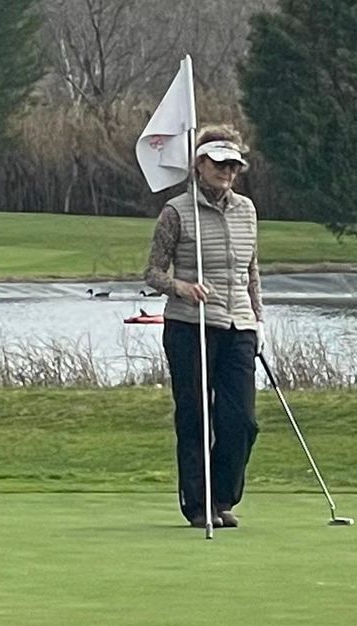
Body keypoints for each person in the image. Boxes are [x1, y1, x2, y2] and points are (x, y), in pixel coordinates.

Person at [143, 125, 264, 529]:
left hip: (239, 325)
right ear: (199, 165)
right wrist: (181, 287)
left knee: (241, 421)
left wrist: (258, 321)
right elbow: (153, 273)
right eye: (219, 164)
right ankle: (198, 505)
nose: (227, 172)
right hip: (189, 325)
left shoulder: (246, 210)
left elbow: (251, 271)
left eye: (233, 166)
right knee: (195, 417)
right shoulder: (177, 212)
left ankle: (223, 497)